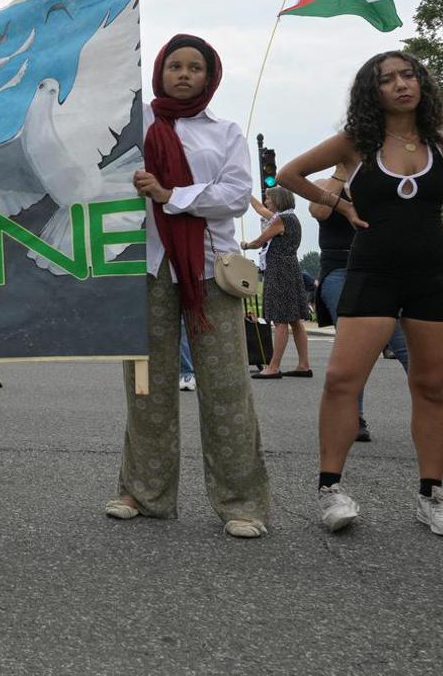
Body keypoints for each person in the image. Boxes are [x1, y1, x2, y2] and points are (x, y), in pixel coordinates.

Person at [277, 50, 443, 539]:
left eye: (408, 75)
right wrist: (337, 204)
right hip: (371, 270)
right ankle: (331, 489)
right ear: (374, 91)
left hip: (433, 272)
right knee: (342, 379)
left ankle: (432, 496)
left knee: (430, 386)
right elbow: (289, 174)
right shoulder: (356, 143)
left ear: (421, 83)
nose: (401, 85)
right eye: (387, 80)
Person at [105, 32, 270, 538]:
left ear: (210, 76)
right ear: (158, 72)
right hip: (147, 267)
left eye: (194, 67)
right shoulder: (136, 127)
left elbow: (237, 195)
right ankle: (145, 493)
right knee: (147, 389)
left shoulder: (224, 132)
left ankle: (242, 503)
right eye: (173, 65)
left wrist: (171, 194)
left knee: (226, 390)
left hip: (210, 273)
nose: (183, 74)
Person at [246, 188, 311, 378]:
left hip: (279, 270)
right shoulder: (290, 218)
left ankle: (273, 367)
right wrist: (247, 194)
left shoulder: (280, 220)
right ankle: (303, 365)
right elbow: (259, 209)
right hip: (291, 269)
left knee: (281, 319)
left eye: (269, 199)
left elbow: (259, 242)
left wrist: (245, 245)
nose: (266, 202)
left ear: (278, 200)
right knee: (295, 320)